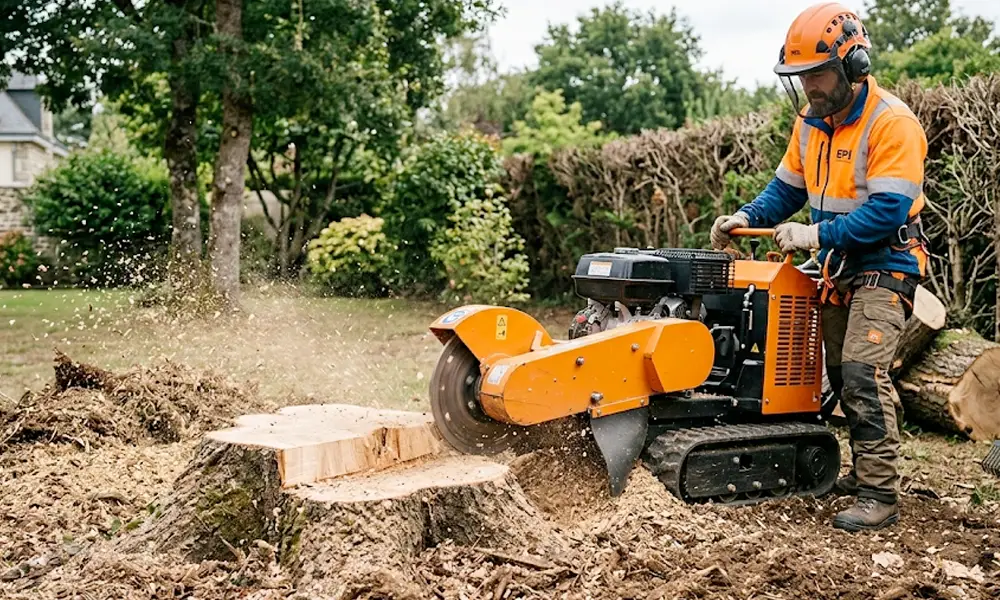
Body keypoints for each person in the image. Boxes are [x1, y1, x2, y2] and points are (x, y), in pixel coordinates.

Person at [711, 2, 930, 532]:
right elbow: (785, 189)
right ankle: (865, 468)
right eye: (801, 75)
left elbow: (886, 212)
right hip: (837, 265)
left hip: (887, 262)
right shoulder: (811, 124)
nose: (809, 86)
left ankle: (880, 492)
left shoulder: (892, 123)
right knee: (838, 373)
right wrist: (744, 216)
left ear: (854, 65)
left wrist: (815, 234)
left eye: (819, 73)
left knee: (861, 368)